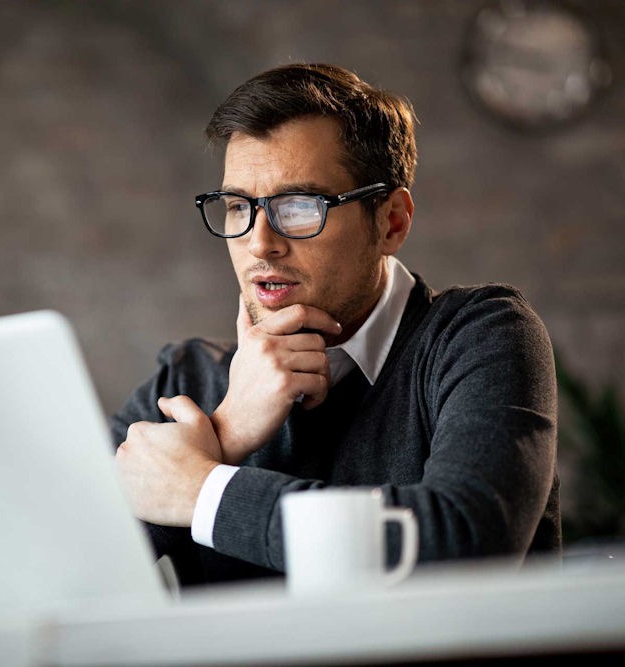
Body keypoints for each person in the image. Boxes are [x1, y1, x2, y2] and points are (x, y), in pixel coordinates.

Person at [112, 63, 560, 586]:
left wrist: (203, 490)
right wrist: (227, 431)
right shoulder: (184, 385)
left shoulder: (481, 335)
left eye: (299, 207)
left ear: (391, 221)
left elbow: (468, 538)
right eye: (238, 206)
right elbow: (54, 578)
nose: (260, 243)